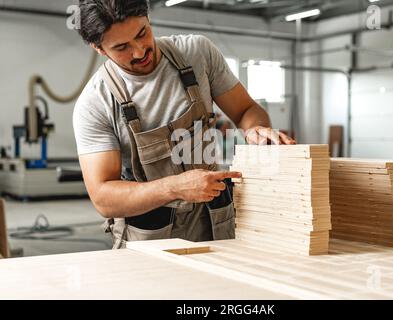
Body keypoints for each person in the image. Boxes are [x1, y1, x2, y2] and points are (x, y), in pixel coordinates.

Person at [73, 0, 296, 248]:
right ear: (99, 48)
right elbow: (104, 198)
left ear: (148, 18)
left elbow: (246, 110)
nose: (139, 51)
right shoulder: (95, 102)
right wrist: (175, 188)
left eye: (142, 33)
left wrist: (256, 129)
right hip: (150, 238)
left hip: (216, 223)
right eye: (122, 47)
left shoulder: (197, 53)